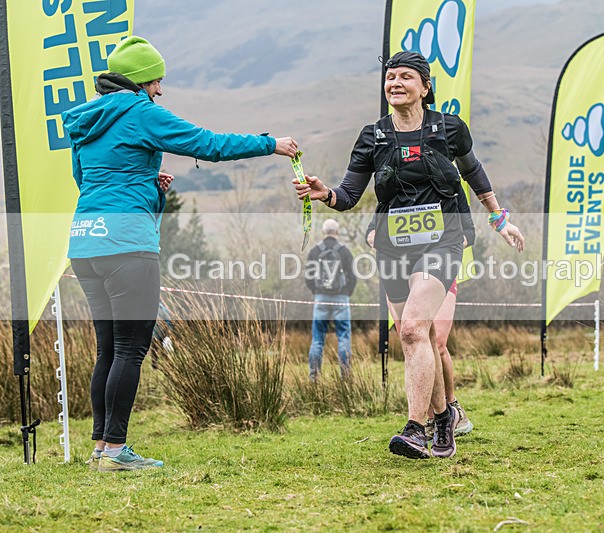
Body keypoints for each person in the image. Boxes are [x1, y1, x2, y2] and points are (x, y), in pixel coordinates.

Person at [62, 36, 298, 471]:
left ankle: (100, 448)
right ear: (138, 81)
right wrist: (271, 144)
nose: (160, 90)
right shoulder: (140, 112)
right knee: (132, 350)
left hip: (84, 239)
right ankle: (116, 452)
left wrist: (147, 187)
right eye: (156, 80)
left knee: (107, 350)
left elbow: (89, 182)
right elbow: (206, 143)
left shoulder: (85, 120)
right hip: (126, 244)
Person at [294, 51, 524, 460]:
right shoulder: (372, 136)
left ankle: (415, 428)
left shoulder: (450, 129)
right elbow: (348, 195)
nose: (395, 83)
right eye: (389, 77)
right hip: (393, 247)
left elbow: (474, 174)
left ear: (425, 86)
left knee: (417, 329)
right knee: (413, 337)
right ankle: (442, 420)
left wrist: (499, 219)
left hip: (444, 240)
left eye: (405, 77)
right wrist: (324, 194)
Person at [366, 186, 475, 439]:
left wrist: (445, 243)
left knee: (436, 342)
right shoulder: (395, 180)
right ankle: (423, 420)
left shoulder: (448, 181)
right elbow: (372, 228)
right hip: (400, 271)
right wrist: (378, 238)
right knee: (412, 339)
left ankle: (451, 407)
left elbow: (469, 230)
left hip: (439, 269)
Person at [305, 218, 357, 380]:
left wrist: (317, 291)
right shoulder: (344, 251)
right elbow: (353, 277)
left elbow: (309, 277)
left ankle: (314, 377)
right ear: (337, 232)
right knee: (343, 338)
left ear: (323, 232)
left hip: (321, 298)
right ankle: (346, 377)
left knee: (317, 339)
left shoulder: (314, 251)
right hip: (341, 298)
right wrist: (346, 293)